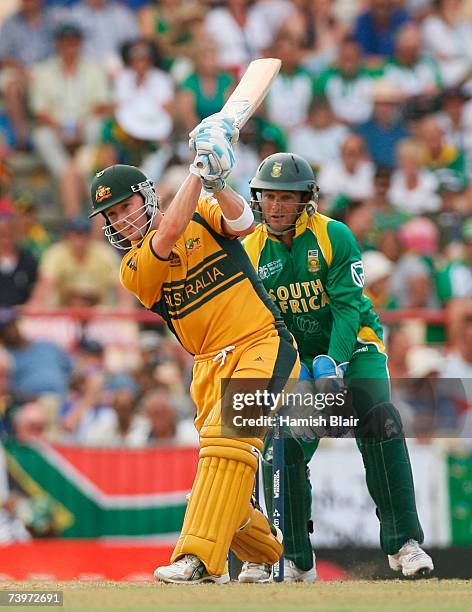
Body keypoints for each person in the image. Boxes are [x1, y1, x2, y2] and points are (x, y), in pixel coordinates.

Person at [88, 115, 300, 583]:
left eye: (125, 207)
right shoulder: (133, 268)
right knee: (224, 471)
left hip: (262, 341)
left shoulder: (202, 208)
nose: (120, 221)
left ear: (146, 197)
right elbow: (167, 234)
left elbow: (244, 221)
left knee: (227, 445)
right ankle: (266, 554)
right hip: (208, 366)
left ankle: (200, 561)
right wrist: (197, 170)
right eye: (111, 216)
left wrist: (218, 180)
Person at [239, 151, 434, 582]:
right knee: (284, 444)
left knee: (379, 421)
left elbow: (348, 309)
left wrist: (333, 361)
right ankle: (296, 558)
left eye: (285, 198)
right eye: (268, 197)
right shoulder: (249, 251)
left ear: (306, 199)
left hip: (356, 348)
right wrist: (299, 366)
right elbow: (263, 323)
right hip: (297, 357)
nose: (275, 207)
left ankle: (403, 543)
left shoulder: (335, 235)